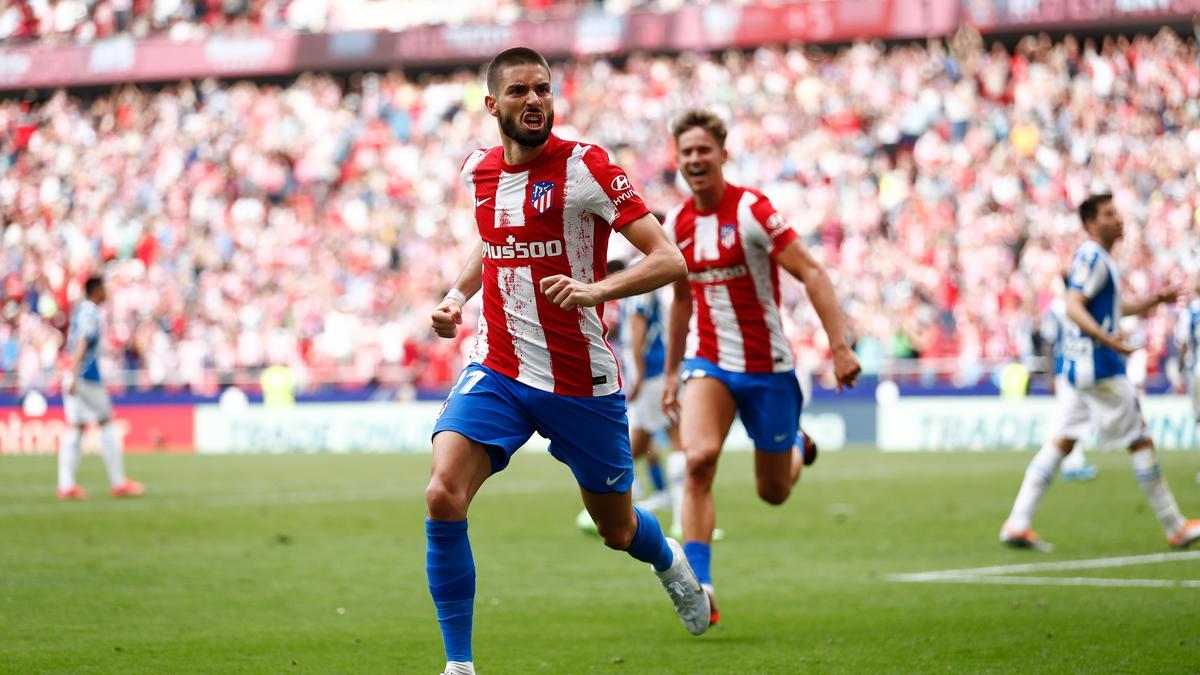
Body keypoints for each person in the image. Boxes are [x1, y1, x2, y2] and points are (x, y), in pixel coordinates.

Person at [424, 48, 708, 675]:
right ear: (492, 104)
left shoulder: (588, 167)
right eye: (521, 91)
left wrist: (596, 290)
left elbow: (669, 259)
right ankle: (459, 665)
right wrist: (453, 298)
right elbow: (492, 245)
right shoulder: (479, 171)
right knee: (443, 493)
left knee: (618, 529)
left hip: (581, 380)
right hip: (497, 367)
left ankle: (671, 565)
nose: (535, 101)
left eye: (544, 90)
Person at [661, 110, 861, 625]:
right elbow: (681, 301)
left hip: (769, 366)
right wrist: (670, 373)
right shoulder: (676, 224)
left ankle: (797, 445)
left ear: (723, 155)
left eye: (704, 149)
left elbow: (811, 272)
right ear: (677, 161)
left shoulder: (752, 209)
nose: (695, 159)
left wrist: (839, 348)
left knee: (772, 493)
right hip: (709, 362)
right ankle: (699, 587)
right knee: (698, 460)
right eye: (686, 152)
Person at [1000, 194, 1200, 550]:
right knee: (1140, 439)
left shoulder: (1098, 258)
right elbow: (1073, 304)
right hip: (1102, 367)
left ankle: (1017, 522)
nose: (1118, 219)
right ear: (1091, 223)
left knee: (1060, 443)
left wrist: (1155, 301)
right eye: (1109, 214)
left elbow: (1115, 306)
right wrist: (1105, 338)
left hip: (1079, 371)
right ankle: (1175, 525)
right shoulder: (1094, 256)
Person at [575, 259, 685, 535]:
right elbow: (637, 329)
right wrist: (638, 373)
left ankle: (667, 508)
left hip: (648, 372)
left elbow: (636, 329)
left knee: (645, 441)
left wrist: (636, 373)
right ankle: (681, 520)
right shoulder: (644, 280)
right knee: (662, 441)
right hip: (654, 371)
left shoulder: (636, 282)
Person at [58, 275, 144, 501]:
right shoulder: (90, 313)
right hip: (86, 377)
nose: (107, 292)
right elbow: (83, 341)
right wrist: (76, 373)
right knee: (105, 422)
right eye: (104, 288)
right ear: (96, 290)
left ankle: (66, 485)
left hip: (74, 376)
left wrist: (70, 373)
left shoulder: (81, 310)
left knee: (76, 428)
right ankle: (118, 483)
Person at [1038, 293, 1098, 482]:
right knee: (1069, 420)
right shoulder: (1060, 309)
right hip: (1067, 371)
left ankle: (1074, 461)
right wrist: (1050, 375)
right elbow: (1048, 343)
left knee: (1072, 419)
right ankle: (1071, 464)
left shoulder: (1060, 309)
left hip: (1074, 370)